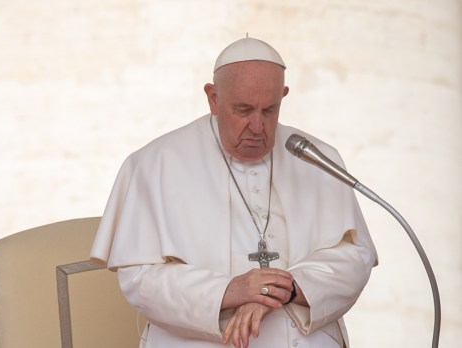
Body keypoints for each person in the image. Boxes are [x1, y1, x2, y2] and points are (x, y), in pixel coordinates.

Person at [90, 36, 378, 348]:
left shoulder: (316, 158)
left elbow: (354, 256)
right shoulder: (154, 164)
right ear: (213, 98)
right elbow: (140, 280)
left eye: (269, 110)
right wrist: (231, 291)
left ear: (283, 96)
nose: (258, 126)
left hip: (300, 334)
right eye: (243, 110)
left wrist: (287, 288)